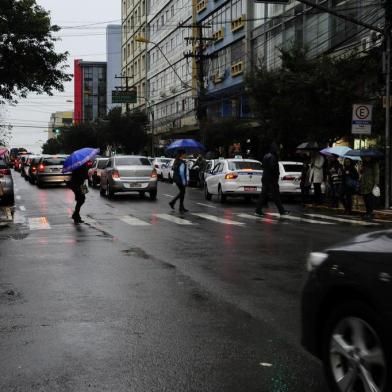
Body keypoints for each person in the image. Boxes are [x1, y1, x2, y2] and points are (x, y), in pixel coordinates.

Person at [255, 143, 288, 217]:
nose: (278, 151)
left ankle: (258, 209)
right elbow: (273, 167)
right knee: (276, 195)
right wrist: (277, 173)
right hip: (271, 179)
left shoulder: (266, 156)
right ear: (275, 150)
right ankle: (281, 211)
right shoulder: (273, 157)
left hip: (265, 177)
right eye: (278, 150)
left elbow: (263, 166)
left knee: (263, 195)